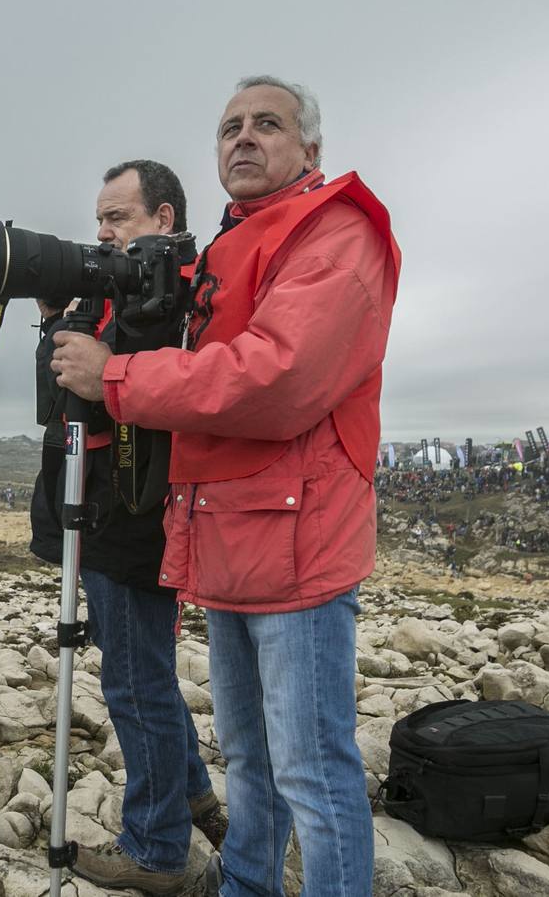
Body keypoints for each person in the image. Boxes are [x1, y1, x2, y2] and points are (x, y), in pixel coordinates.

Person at [53, 75, 399, 896]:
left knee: (312, 769)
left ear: (308, 148)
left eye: (266, 125)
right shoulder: (231, 242)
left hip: (298, 537)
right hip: (232, 526)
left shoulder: (334, 230)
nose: (242, 139)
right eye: (229, 127)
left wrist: (118, 376)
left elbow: (276, 378)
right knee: (248, 754)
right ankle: (246, 882)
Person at [29, 160, 223, 893]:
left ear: (164, 219)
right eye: (101, 219)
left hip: (135, 512)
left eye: (118, 217)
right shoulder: (116, 291)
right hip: (107, 507)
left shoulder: (173, 293)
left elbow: (161, 391)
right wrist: (57, 318)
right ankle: (194, 795)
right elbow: (61, 398)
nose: (102, 233)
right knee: (139, 670)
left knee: (135, 683)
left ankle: (156, 851)